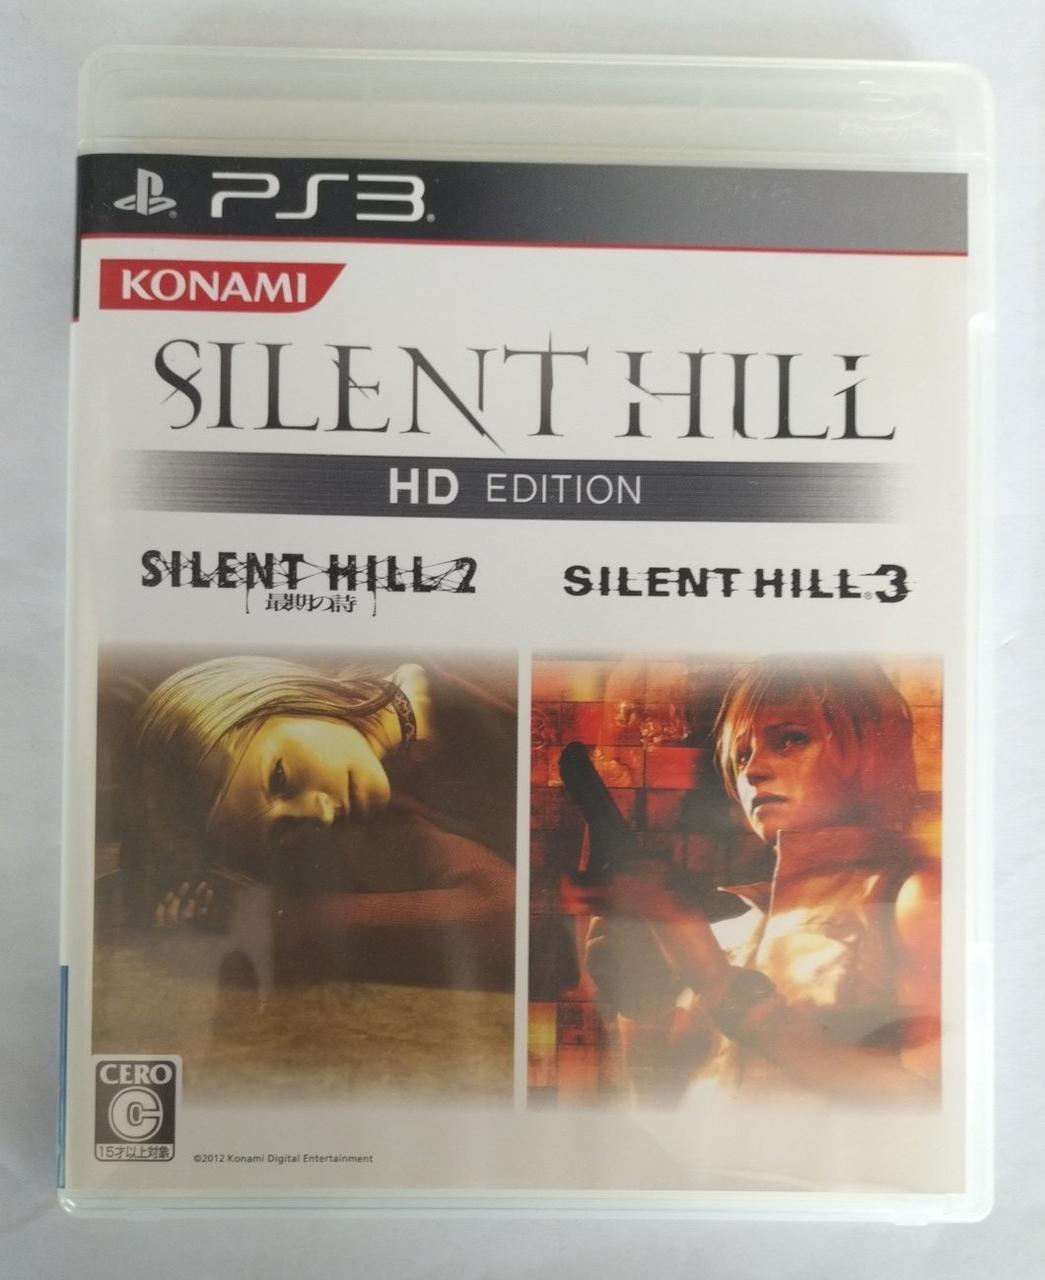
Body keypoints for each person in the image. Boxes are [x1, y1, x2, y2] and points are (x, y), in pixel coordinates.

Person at [584, 657, 941, 1104]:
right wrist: (641, 1003)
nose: (753, 770)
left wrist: (715, 979)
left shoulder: (914, 894)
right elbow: (662, 1109)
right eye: (741, 754)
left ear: (870, 750)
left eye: (790, 739)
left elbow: (931, 1105)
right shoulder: (727, 917)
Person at [122, 655, 515, 989]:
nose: (321, 815)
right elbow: (507, 912)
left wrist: (287, 920)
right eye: (285, 830)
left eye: (279, 778)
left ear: (277, 698)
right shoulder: (383, 816)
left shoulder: (475, 676)